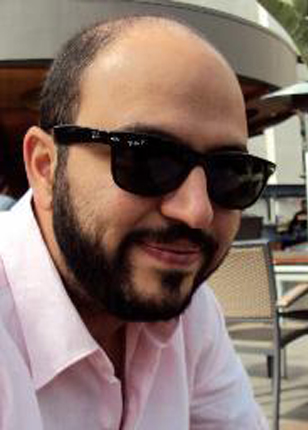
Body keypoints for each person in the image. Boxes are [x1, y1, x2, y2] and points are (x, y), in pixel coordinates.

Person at [0, 15, 276, 429]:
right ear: (46, 167)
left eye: (231, 173)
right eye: (147, 160)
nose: (196, 212)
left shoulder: (191, 312)